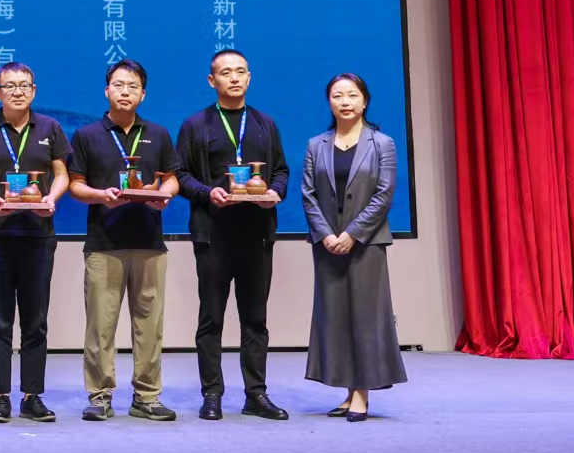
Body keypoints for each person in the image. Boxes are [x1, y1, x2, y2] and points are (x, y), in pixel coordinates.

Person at [174, 49, 290, 422]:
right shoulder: (196, 124)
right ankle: (212, 394)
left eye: (241, 71)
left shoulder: (265, 124)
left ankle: (256, 394)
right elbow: (180, 175)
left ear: (249, 77)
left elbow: (282, 171)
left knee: (255, 319)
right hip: (213, 236)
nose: (234, 78)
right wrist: (208, 192)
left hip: (257, 235)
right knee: (211, 319)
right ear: (213, 81)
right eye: (226, 73)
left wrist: (276, 192)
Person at [68, 59, 180, 422]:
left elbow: (172, 178)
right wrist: (101, 196)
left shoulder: (158, 133)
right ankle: (100, 395)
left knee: (150, 324)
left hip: (149, 243)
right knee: (100, 325)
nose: (125, 91)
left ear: (143, 94)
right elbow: (75, 185)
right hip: (104, 243)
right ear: (107, 91)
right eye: (118, 85)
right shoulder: (87, 135)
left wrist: (164, 194)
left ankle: (147, 396)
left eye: (132, 86)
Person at [0, 62, 70, 423]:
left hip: (38, 235)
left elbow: (61, 174)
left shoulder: (50, 128)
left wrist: (51, 198)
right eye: (9, 86)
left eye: (24, 85)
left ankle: (32, 395)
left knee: (36, 319)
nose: (18, 91)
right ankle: (1, 396)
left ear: (34, 90)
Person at [301, 72, 406, 421]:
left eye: (351, 95)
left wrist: (352, 234)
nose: (344, 102)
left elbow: (384, 195)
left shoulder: (382, 143)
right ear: (329, 102)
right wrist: (326, 234)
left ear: (365, 101)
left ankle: (361, 392)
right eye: (337, 96)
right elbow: (308, 195)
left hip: (366, 244)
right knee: (336, 318)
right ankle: (349, 391)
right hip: (327, 244)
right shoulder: (316, 144)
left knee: (365, 317)